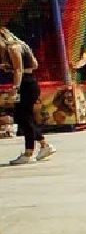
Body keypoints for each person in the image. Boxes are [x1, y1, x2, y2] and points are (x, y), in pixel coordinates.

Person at [4, 29, 54, 165]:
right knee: (24, 117)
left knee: (23, 117)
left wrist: (15, 88)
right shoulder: (23, 46)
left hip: (25, 85)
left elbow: (18, 70)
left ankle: (29, 152)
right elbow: (35, 64)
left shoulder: (13, 48)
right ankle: (44, 145)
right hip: (31, 82)